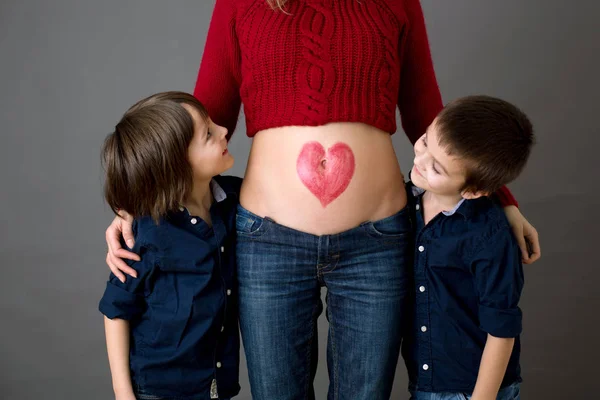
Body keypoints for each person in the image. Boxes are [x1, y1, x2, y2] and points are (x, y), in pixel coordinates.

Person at [105, 2, 541, 399]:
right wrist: (134, 206)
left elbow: (432, 118)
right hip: (266, 239)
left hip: (377, 240)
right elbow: (198, 122)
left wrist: (501, 198)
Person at [98, 91, 241, 400]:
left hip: (217, 385)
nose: (224, 130)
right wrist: (123, 394)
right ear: (176, 164)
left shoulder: (234, 200)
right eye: (208, 134)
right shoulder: (145, 232)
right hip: (159, 390)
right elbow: (116, 310)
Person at [403, 95, 532, 400]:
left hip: (473, 389)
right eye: (424, 142)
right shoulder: (406, 201)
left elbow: (502, 329)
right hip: (425, 382)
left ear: (473, 191)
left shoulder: (490, 235)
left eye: (436, 168)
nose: (419, 162)